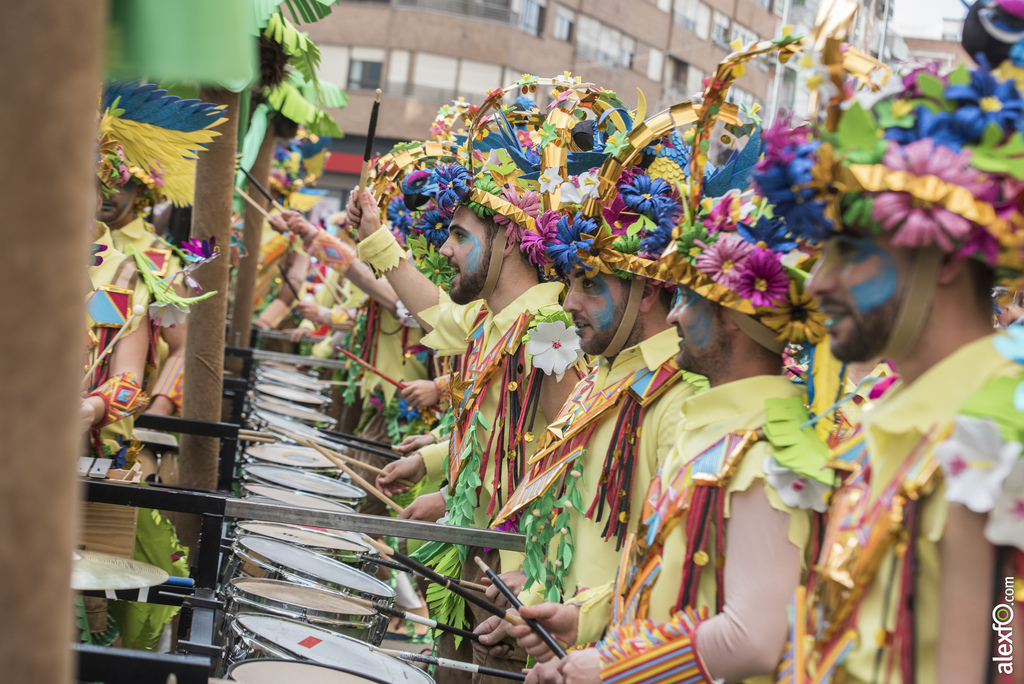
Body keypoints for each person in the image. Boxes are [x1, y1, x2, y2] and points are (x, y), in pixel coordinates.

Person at [504, 57, 841, 682]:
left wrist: (605, 663)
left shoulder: (764, 447)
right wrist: (587, 619)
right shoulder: (710, 425)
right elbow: (663, 576)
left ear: (738, 317)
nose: (675, 312)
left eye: (689, 297)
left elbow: (751, 636)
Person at [750, 52, 1024, 683]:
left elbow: (996, 659)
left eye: (848, 251)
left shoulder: (998, 431)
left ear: (944, 256)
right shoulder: (888, 423)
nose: (816, 282)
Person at [471, 132, 707, 657]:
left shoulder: (683, 401)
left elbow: (673, 571)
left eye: (592, 286)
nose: (570, 301)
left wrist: (586, 625)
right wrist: (525, 600)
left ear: (649, 291)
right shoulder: (599, 375)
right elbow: (564, 521)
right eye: (570, 281)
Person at [95, 82, 225, 418]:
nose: (111, 193)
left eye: (123, 185)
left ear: (143, 194)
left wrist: (160, 406)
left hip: (122, 426)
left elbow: (182, 347)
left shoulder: (161, 263)